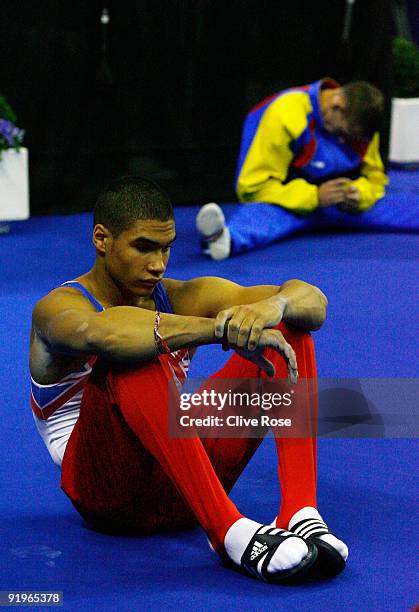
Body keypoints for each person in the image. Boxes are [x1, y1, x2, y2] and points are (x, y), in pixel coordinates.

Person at [30, 176, 348, 584]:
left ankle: (300, 510)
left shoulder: (181, 293)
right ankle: (227, 532)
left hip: (182, 485)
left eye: (166, 248)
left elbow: (313, 302)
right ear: (101, 239)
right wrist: (218, 328)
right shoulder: (58, 307)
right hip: (107, 495)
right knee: (133, 354)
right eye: (144, 247)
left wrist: (274, 306)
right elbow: (107, 334)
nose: (158, 265)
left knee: (287, 330)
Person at [196, 78, 390, 260]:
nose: (343, 142)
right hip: (292, 200)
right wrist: (315, 197)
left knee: (391, 205)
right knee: (269, 215)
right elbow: (252, 188)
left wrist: (360, 195)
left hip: (338, 203)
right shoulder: (285, 114)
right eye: (342, 133)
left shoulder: (359, 128)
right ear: (336, 106)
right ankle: (224, 238)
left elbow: (376, 178)